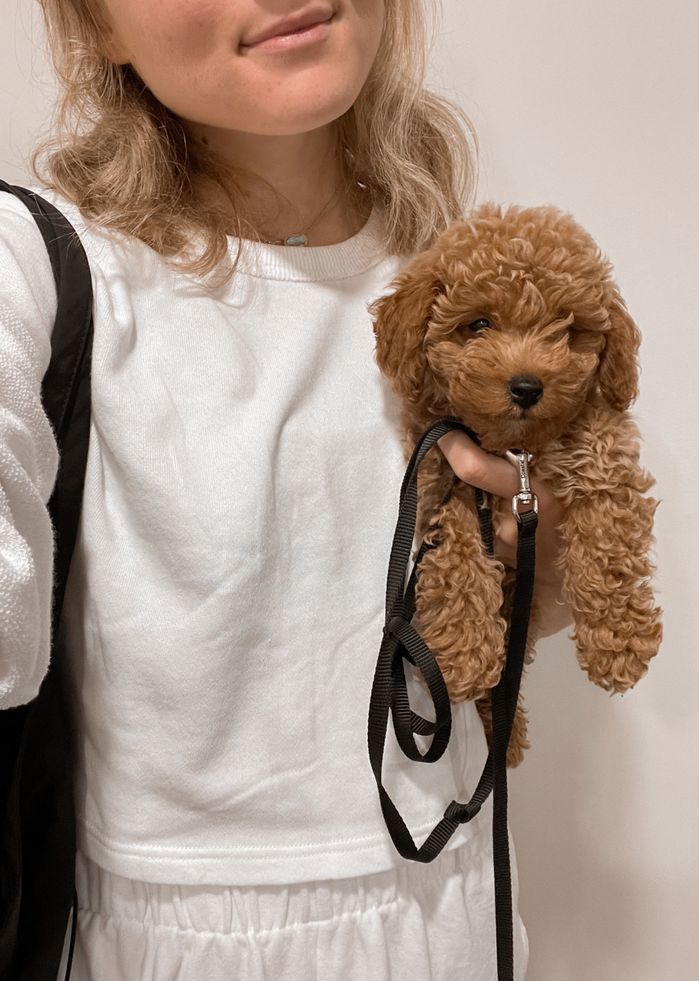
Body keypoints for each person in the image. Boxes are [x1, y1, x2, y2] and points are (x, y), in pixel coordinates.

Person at [0, 0, 573, 977]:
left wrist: (545, 575)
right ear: (92, 26)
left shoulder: (462, 281)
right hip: (176, 939)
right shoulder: (46, 267)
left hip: (457, 902)